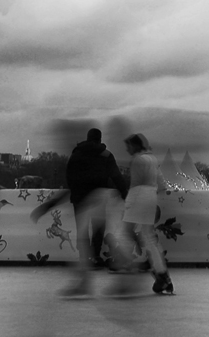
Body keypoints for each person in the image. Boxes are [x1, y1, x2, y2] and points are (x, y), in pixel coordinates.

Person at [58, 127, 128, 297]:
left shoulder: (77, 154)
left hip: (80, 198)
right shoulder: (105, 155)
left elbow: (69, 175)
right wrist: (124, 193)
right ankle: (96, 257)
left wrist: (75, 192)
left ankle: (84, 261)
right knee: (99, 227)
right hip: (98, 196)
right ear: (100, 139)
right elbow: (116, 175)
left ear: (87, 138)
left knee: (82, 232)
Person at [116, 133, 173, 295]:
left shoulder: (136, 160)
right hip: (151, 197)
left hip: (138, 196)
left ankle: (130, 271)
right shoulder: (153, 159)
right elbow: (161, 184)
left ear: (134, 146)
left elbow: (135, 184)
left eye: (128, 146)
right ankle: (162, 273)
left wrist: (128, 203)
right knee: (148, 236)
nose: (127, 149)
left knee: (124, 233)